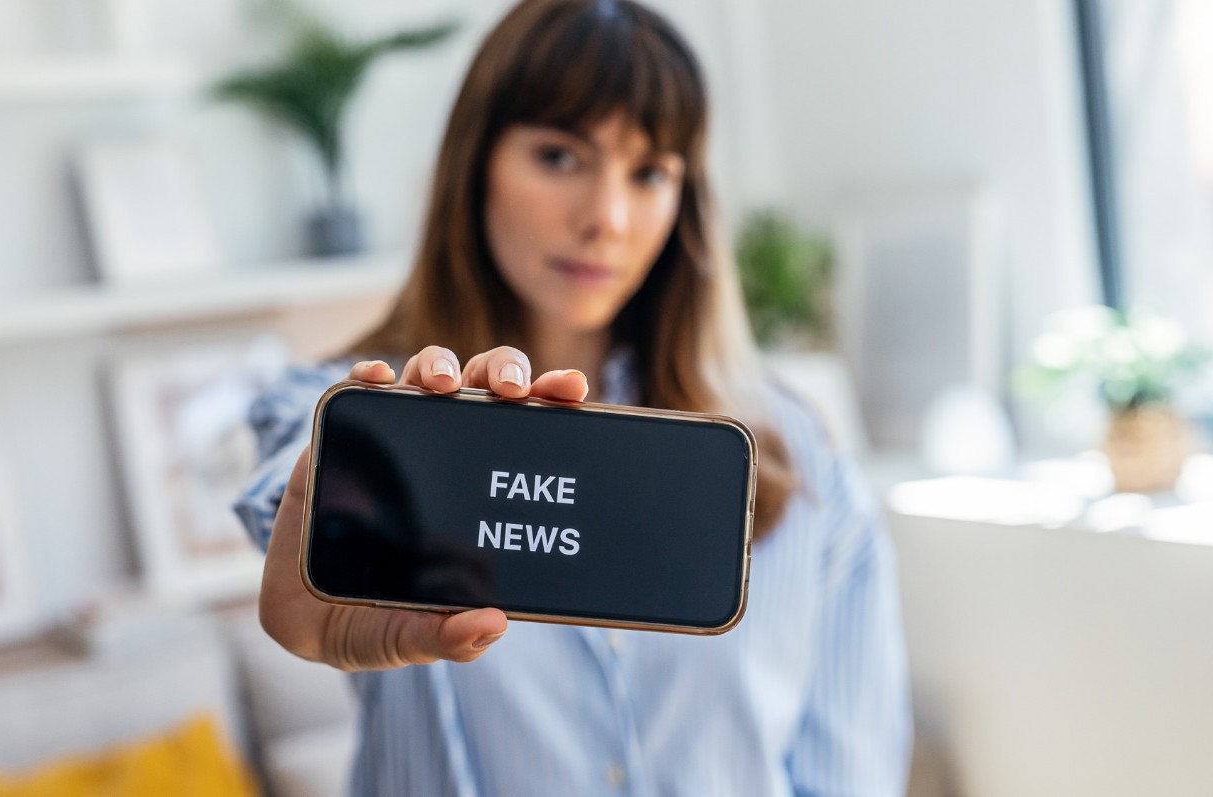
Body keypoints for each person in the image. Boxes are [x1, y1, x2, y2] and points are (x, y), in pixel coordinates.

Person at [234, 0, 912, 794]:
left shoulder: (792, 450)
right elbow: (293, 466)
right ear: (475, 164)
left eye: (650, 171)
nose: (607, 218)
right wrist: (337, 503)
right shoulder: (349, 402)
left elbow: (849, 767)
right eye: (559, 156)